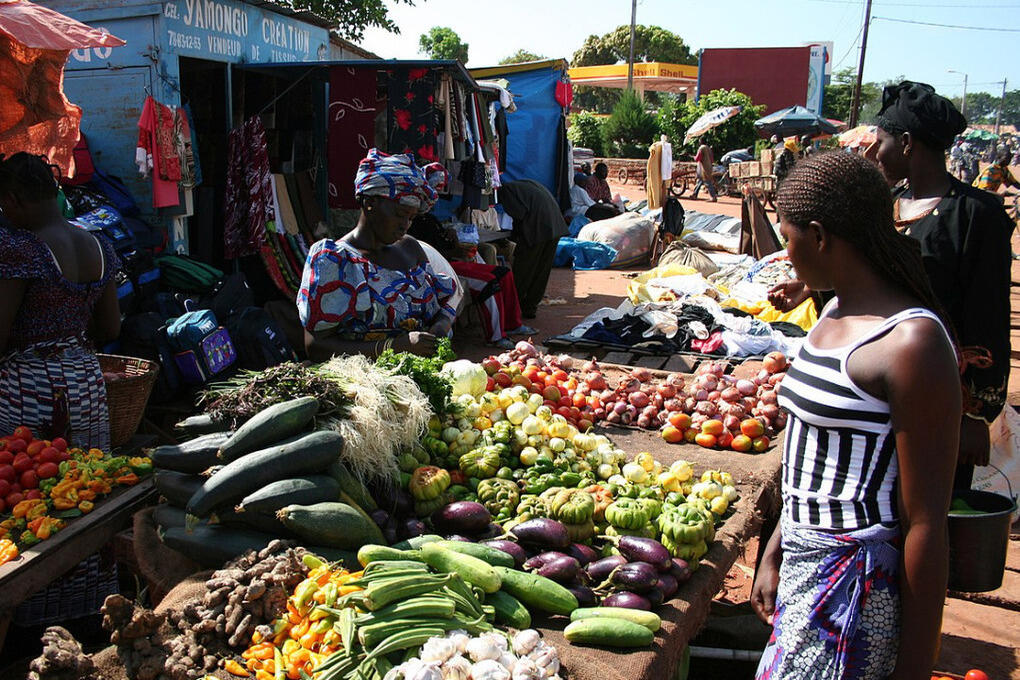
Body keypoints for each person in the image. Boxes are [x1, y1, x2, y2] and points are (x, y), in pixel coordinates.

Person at [752, 151, 961, 680]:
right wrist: (776, 548)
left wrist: (914, 670)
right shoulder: (832, 311)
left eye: (787, 237)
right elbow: (812, 458)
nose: (785, 255)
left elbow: (926, 524)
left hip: (853, 591)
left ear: (820, 237)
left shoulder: (911, 343)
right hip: (803, 566)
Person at [771, 81, 1014, 491]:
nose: (873, 152)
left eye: (880, 141)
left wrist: (976, 414)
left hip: (939, 392)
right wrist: (808, 287)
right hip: (872, 381)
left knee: (927, 496)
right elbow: (863, 271)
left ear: (906, 143)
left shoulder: (975, 214)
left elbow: (988, 314)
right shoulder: (887, 204)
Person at [0, 153, 121, 449]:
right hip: (87, 387)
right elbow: (110, 329)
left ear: (12, 199)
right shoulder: (100, 245)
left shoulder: (22, 250)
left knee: (28, 473)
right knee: (85, 473)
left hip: (29, 391)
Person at [298, 149, 457, 361]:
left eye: (411, 218)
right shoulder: (334, 260)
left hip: (415, 375)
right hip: (362, 379)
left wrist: (440, 325)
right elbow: (316, 346)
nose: (405, 225)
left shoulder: (410, 248)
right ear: (370, 203)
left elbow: (440, 310)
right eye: (400, 214)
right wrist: (394, 347)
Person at [498, 179, 568, 320]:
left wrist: (514, 236)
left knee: (523, 270)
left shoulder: (505, 192)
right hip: (555, 227)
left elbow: (519, 215)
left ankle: (512, 309)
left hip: (538, 229)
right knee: (541, 271)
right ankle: (530, 307)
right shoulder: (523, 185)